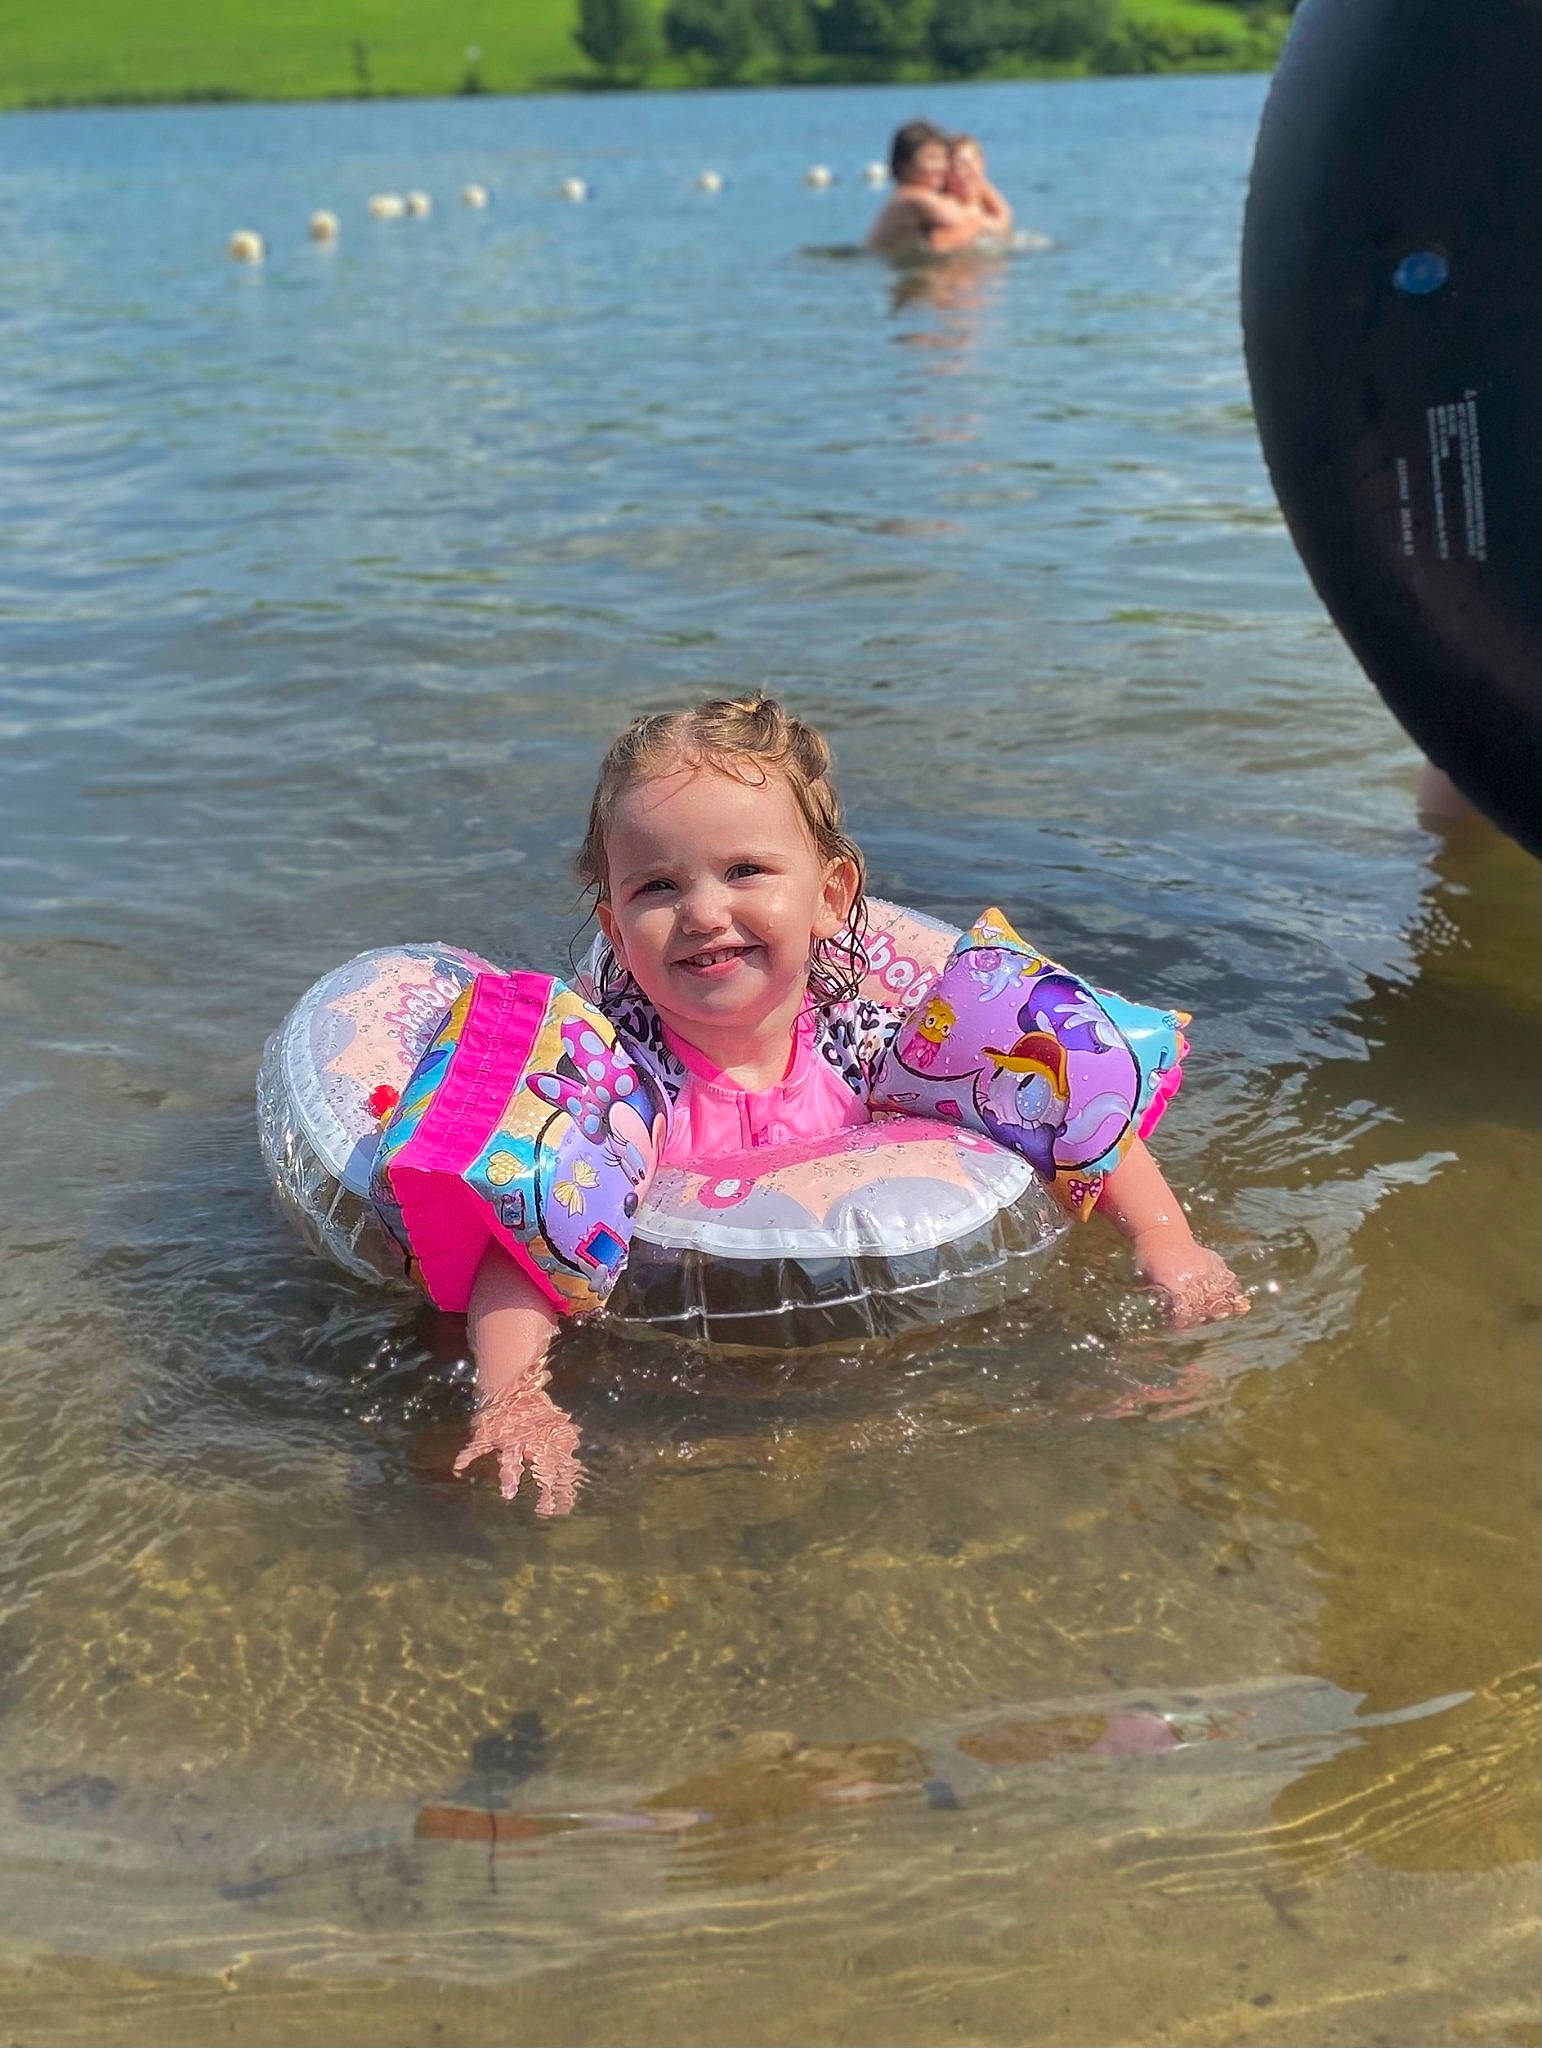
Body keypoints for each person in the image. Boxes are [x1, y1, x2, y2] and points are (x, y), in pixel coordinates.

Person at [454, 695, 1248, 1508]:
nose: (701, 912)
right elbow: (524, 1235)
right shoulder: (620, 1078)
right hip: (684, 1371)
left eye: (744, 871)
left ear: (832, 896)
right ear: (616, 931)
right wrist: (514, 1395)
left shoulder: (870, 1044)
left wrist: (1164, 1240)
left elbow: (1066, 1109)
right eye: (657, 886)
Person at [866, 119, 990, 259]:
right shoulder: (912, 197)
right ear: (905, 166)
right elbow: (968, 220)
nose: (941, 166)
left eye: (942, 158)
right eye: (931, 158)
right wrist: (974, 181)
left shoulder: (908, 196)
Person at [946, 134, 1013, 243]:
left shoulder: (982, 191)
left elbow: (1005, 218)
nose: (961, 173)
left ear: (982, 163)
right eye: (953, 168)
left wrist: (982, 224)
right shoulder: (946, 203)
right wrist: (978, 225)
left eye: (967, 164)